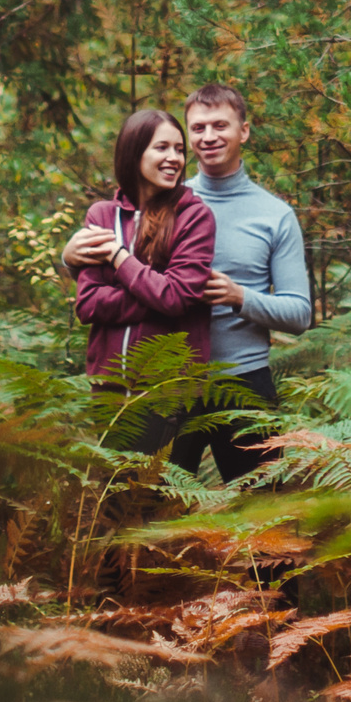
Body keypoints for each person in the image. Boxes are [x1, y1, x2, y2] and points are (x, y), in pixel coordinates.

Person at [66, 82, 310, 480]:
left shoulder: (274, 214)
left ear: (243, 131)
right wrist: (68, 258)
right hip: (166, 379)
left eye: (220, 126)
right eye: (197, 129)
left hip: (240, 380)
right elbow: (108, 281)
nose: (208, 137)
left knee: (260, 512)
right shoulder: (161, 197)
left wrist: (240, 297)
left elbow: (299, 313)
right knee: (153, 507)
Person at [72, 108, 218, 451]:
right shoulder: (102, 215)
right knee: (117, 497)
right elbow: (88, 304)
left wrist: (119, 258)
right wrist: (155, 292)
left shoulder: (194, 217)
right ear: (134, 152)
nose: (175, 158)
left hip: (166, 390)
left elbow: (175, 298)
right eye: (162, 148)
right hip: (108, 389)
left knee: (156, 500)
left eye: (180, 149)